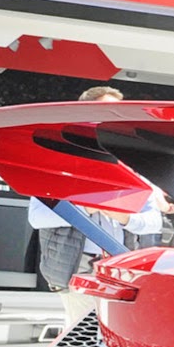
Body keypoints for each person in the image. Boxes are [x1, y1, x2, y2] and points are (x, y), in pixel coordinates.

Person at [30, 85, 126, 324]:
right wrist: (84, 209)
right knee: (87, 336)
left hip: (121, 267)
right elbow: (37, 217)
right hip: (80, 265)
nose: (113, 118)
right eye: (105, 111)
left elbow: (152, 218)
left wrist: (129, 216)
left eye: (117, 112)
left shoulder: (128, 157)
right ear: (85, 113)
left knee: (114, 337)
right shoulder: (59, 156)